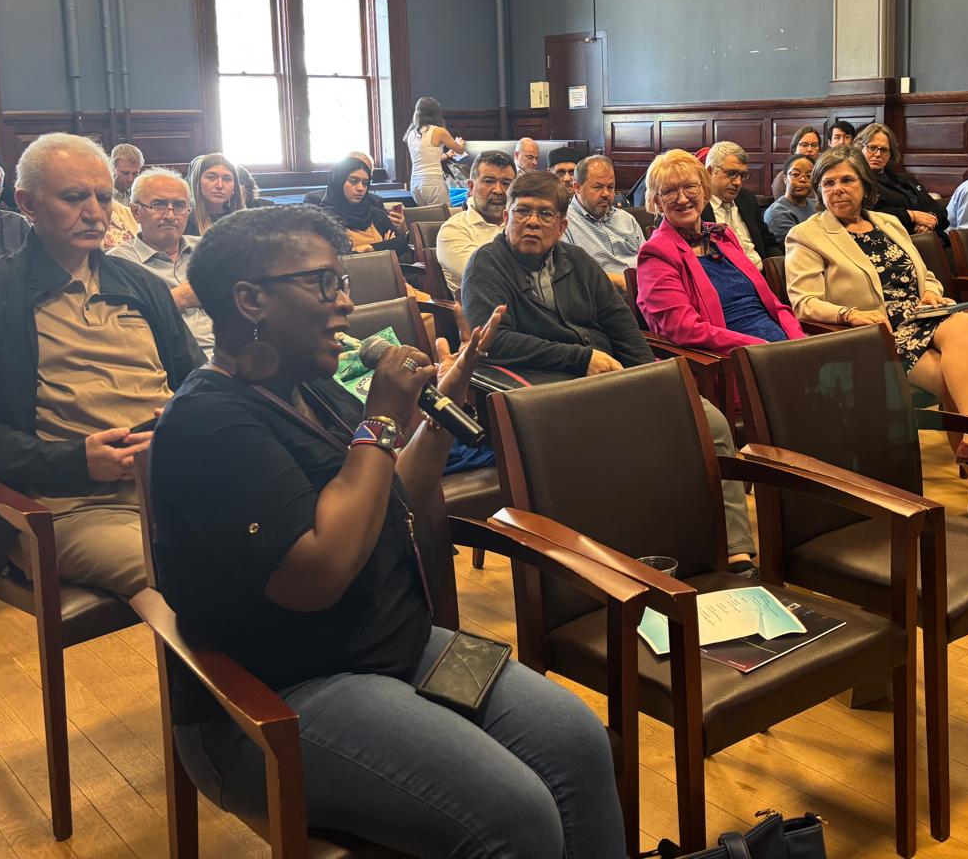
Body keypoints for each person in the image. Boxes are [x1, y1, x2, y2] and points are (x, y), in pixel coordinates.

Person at [150, 205, 623, 856]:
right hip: (282, 692)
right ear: (250, 299)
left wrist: (443, 405)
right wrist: (381, 419)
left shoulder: (310, 387)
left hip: (397, 645)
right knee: (516, 813)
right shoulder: (207, 424)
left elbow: (389, 493)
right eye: (324, 283)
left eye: (342, 281)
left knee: (577, 740)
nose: (346, 302)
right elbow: (317, 574)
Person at [0, 133, 203, 602]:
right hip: (65, 505)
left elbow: (197, 384)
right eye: (74, 197)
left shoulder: (142, 286)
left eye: (104, 197)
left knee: (298, 544)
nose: (95, 212)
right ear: (27, 204)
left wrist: (180, 427)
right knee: (202, 573)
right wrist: (77, 462)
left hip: (176, 480)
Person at [461, 171, 756, 567]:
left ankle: (734, 549)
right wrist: (580, 359)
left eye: (545, 214)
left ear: (562, 226)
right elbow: (495, 342)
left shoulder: (578, 261)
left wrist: (651, 379)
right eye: (523, 212)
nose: (532, 222)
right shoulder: (486, 265)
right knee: (629, 440)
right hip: (548, 391)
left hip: (613, 375)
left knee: (710, 422)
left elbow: (621, 325)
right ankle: (633, 556)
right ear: (505, 217)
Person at [786, 148, 968, 521]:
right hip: (875, 333)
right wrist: (850, 314)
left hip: (922, 316)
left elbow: (924, 275)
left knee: (965, 323)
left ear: (864, 185)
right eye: (829, 183)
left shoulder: (888, 223)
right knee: (957, 379)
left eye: (847, 180)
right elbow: (804, 303)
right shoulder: (806, 235)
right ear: (820, 190)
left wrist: (931, 292)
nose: (838, 189)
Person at [638, 149, 803, 351]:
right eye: (669, 191)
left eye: (690, 187)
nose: (682, 199)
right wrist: (761, 348)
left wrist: (799, 340)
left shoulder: (722, 235)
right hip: (732, 357)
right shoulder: (656, 253)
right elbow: (684, 328)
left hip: (781, 347)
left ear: (704, 191)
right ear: (657, 201)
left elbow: (773, 303)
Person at [110, 168, 213, 352]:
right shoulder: (118, 263)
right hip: (173, 360)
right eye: (158, 205)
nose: (170, 216)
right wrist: (178, 299)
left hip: (235, 350)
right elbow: (119, 328)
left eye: (179, 206)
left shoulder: (209, 249)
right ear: (135, 212)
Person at [436, 150, 514, 296]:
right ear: (471, 187)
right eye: (489, 181)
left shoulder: (521, 224)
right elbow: (488, 277)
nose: (498, 190)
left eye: (506, 183)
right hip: (485, 308)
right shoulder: (454, 230)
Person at [560, 154, 642, 291]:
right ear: (577, 187)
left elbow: (650, 260)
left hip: (646, 288)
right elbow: (569, 275)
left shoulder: (627, 219)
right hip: (605, 295)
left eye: (610, 187)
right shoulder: (564, 223)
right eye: (598, 187)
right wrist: (620, 281)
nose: (606, 194)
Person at [853, 122, 948, 238]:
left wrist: (930, 220)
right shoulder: (858, 183)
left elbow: (939, 209)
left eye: (884, 150)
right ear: (860, 149)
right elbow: (869, 214)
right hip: (899, 241)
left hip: (935, 238)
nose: (878, 154)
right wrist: (912, 216)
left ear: (890, 154)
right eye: (872, 148)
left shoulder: (907, 180)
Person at [700, 141, 780, 266]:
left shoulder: (747, 199)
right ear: (710, 172)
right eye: (731, 173)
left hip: (761, 272)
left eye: (742, 175)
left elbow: (768, 242)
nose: (738, 182)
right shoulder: (696, 207)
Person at [317, 157, 409, 257]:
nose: (360, 188)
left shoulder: (374, 214)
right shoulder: (323, 220)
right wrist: (385, 247)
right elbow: (334, 258)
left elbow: (401, 244)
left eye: (365, 183)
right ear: (338, 182)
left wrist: (368, 248)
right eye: (353, 181)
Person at [403, 97, 464, 209]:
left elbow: (426, 158)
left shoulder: (411, 132)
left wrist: (447, 155)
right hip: (432, 182)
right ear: (436, 113)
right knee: (443, 216)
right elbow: (460, 150)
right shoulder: (438, 131)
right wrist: (461, 143)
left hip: (415, 184)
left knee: (427, 217)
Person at [763, 152, 817, 246]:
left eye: (809, 176)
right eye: (796, 174)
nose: (803, 179)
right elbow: (798, 246)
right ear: (785, 179)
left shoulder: (818, 205)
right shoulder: (778, 212)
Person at [186, 153, 246, 234]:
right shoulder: (184, 220)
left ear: (234, 186)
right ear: (197, 182)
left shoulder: (242, 221)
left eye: (227, 179)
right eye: (211, 177)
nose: (219, 186)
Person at [770, 126, 822, 198]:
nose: (810, 149)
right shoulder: (782, 178)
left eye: (814, 145)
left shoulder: (823, 174)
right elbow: (782, 203)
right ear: (794, 149)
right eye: (804, 145)